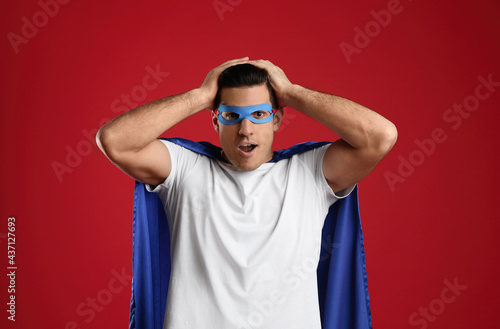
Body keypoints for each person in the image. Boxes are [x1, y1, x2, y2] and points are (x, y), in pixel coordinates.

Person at [96, 57, 397, 329]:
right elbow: (115, 141)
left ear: (277, 119)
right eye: (231, 117)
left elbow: (380, 137)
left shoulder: (310, 173)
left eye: (259, 115)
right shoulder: (186, 169)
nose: (246, 129)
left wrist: (291, 93)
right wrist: (200, 96)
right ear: (215, 120)